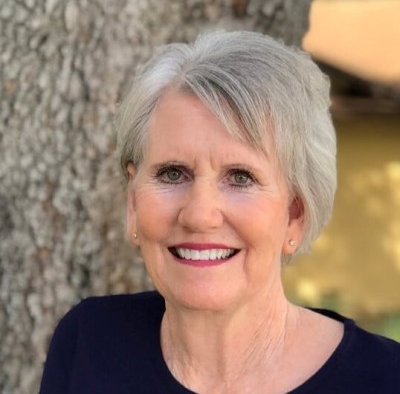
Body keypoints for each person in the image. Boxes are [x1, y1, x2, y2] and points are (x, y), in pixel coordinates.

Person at [39, 31, 400, 394]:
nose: (200, 215)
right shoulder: (88, 344)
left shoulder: (385, 378)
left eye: (240, 177)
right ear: (133, 202)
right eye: (172, 174)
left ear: (295, 214)